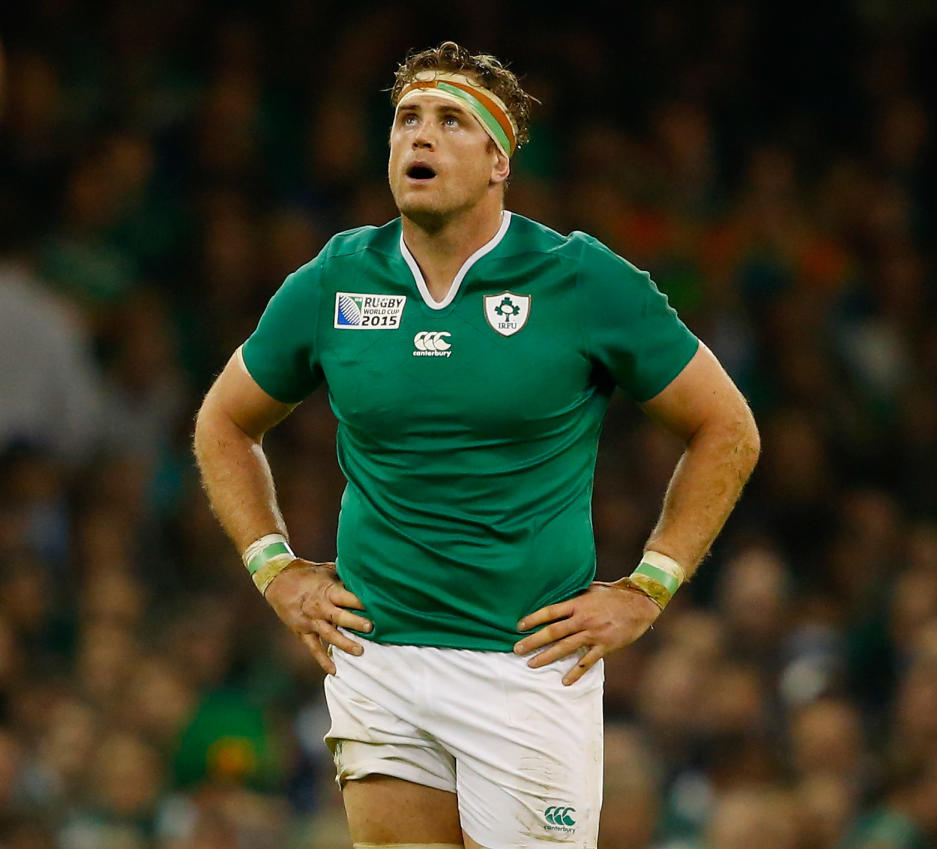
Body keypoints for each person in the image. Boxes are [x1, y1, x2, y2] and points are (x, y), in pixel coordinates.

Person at [193, 41, 760, 849]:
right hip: (377, 652)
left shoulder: (580, 279)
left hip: (524, 667)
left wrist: (648, 586)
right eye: (406, 120)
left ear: (498, 161)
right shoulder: (335, 279)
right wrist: (273, 567)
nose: (418, 137)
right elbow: (223, 422)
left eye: (450, 121)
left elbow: (725, 427)